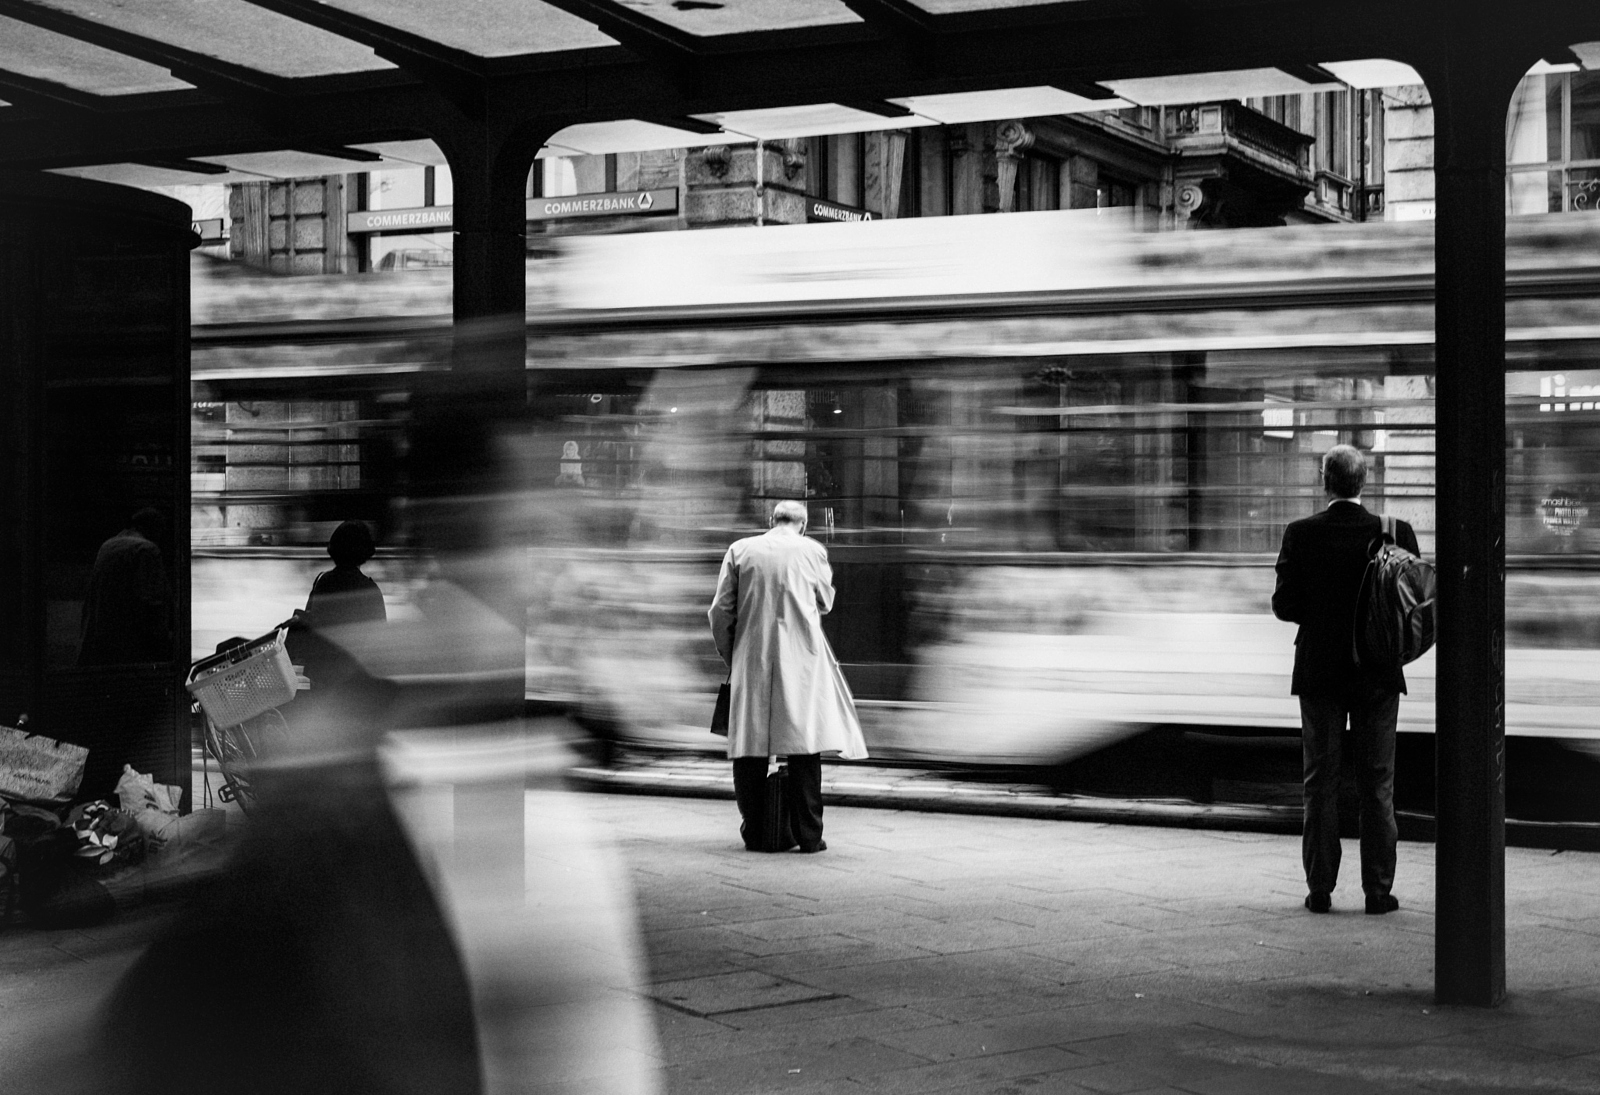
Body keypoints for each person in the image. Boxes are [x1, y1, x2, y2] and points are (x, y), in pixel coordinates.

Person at [1272, 445, 1419, 916]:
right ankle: (1378, 891)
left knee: (1321, 782)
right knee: (1378, 784)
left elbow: (1284, 606)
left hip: (1320, 673)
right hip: (1377, 674)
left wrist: (1324, 610)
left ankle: (1320, 889)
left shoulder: (1300, 534)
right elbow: (1413, 604)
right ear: (1364, 481)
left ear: (1324, 480)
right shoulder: (1394, 533)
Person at [708, 500, 867, 853]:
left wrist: (731, 654)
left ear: (771, 521)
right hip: (801, 661)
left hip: (752, 658)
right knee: (804, 746)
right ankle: (809, 836)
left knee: (748, 749)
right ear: (804, 525)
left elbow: (720, 611)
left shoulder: (740, 550)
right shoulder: (812, 550)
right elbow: (825, 602)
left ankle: (756, 831)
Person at [78, 508, 170, 666]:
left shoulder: (108, 545)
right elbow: (152, 600)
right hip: (128, 642)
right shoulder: (146, 549)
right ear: (153, 528)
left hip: (98, 637)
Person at [303, 520, 387, 630]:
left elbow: (309, 622)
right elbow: (380, 634)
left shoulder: (322, 581)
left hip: (322, 647)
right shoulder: (370, 590)